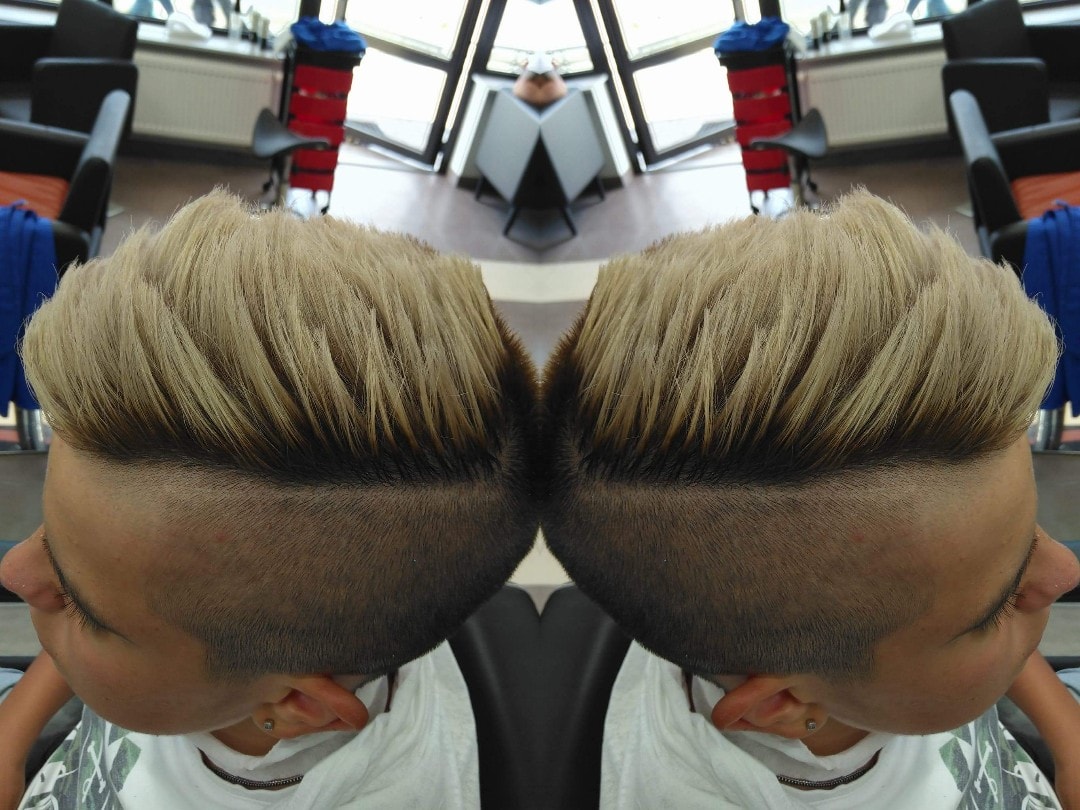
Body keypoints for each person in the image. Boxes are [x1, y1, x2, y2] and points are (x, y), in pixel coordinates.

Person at [539, 190, 1080, 809]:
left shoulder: (765, 611)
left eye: (1029, 537)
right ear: (783, 706)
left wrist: (1067, 736)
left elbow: (974, 598)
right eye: (999, 606)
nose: (1066, 571)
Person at [0, 190, 540, 809]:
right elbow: (105, 601)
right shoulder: (320, 610)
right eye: (50, 536)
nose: (13, 571)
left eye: (79, 605)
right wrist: (12, 737)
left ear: (296, 706)